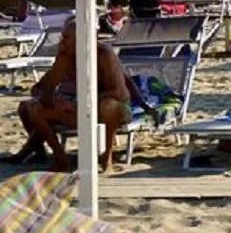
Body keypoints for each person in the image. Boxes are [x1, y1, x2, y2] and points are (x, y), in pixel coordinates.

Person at [12, 19, 156, 172]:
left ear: (82, 39)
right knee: (36, 110)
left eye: (67, 38)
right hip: (78, 106)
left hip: (112, 107)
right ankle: (60, 159)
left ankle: (107, 159)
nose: (63, 41)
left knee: (108, 107)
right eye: (63, 37)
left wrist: (78, 103)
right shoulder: (66, 55)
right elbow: (46, 87)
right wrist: (56, 99)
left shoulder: (103, 54)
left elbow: (118, 93)